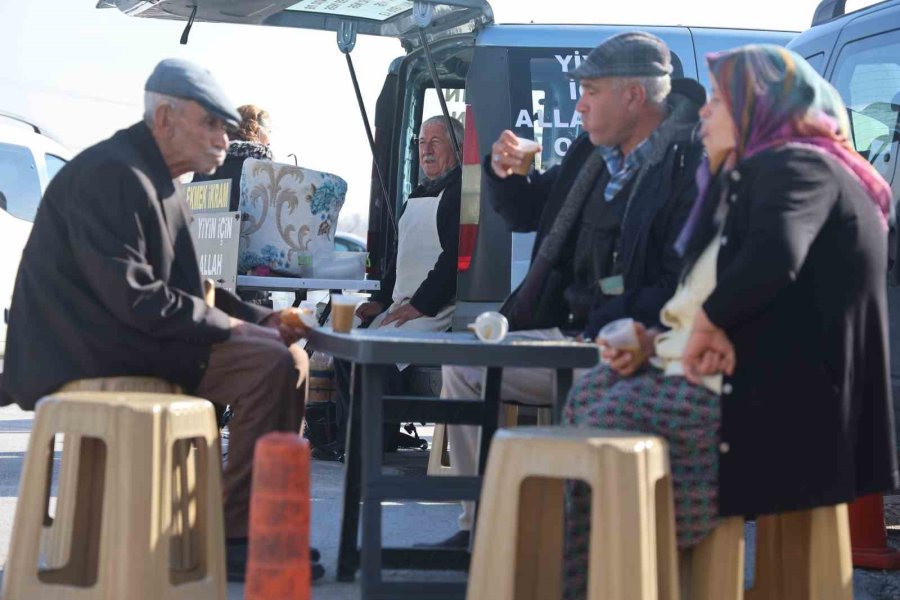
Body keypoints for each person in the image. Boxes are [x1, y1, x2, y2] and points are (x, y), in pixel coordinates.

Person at [561, 45, 899, 598]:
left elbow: (774, 257)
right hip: (752, 384)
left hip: (776, 408)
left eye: (719, 100)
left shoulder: (796, 166)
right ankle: (611, 578)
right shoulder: (764, 173)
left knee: (606, 407)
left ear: (756, 107)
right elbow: (721, 290)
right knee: (595, 391)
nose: (705, 114)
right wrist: (655, 340)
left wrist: (712, 326)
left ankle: (625, 579)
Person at [0, 59, 323, 582]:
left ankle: (259, 523)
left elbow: (196, 291)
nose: (225, 138)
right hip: (89, 350)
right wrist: (237, 331)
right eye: (212, 124)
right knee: (270, 364)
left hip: (129, 336)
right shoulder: (114, 174)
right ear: (166, 118)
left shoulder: (157, 178)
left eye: (226, 126)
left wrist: (266, 316)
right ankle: (236, 533)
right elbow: (135, 298)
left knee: (290, 353)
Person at [431, 31, 705, 549]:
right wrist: (505, 172)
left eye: (590, 91)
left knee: (474, 367)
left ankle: (538, 539)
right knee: (464, 364)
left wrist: (610, 322)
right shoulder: (593, 152)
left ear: (633, 96)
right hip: (572, 333)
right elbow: (529, 212)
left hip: (635, 348)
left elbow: (683, 286)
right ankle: (481, 530)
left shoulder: (688, 165)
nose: (578, 105)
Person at [319, 115, 464, 462]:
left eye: (436, 142)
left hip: (437, 309)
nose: (426, 151)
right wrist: (381, 298)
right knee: (346, 341)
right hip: (401, 302)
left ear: (457, 149)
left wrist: (421, 305)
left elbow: (453, 258)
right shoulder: (417, 195)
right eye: (421, 143)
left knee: (379, 353)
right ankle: (349, 438)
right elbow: (400, 258)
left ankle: (377, 446)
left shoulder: (460, 194)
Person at [193, 103, 273, 211]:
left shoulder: (203, 164)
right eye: (269, 131)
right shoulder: (260, 164)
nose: (269, 140)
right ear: (258, 130)